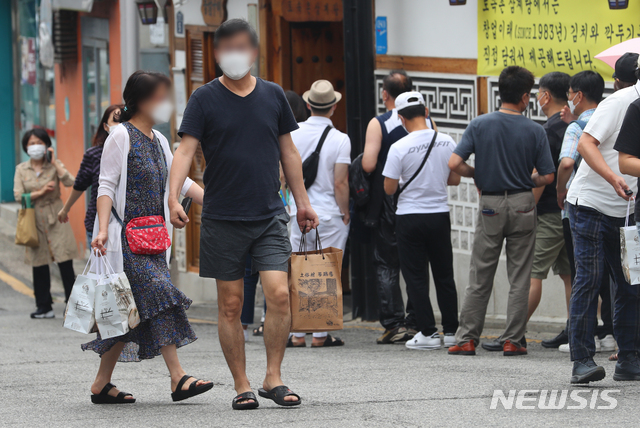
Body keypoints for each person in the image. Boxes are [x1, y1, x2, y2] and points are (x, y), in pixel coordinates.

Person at [169, 19, 318, 409]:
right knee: (232, 305)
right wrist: (172, 198)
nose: (235, 54)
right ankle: (242, 384)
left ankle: (274, 377)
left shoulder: (272, 96)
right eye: (227, 47)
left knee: (280, 294)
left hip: (269, 213)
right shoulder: (203, 98)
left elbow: (289, 152)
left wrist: (302, 201)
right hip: (222, 216)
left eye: (242, 46)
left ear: (253, 51)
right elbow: (184, 152)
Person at [86, 71, 212, 403]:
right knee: (159, 293)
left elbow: (180, 181)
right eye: (161, 96)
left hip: (153, 240)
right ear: (141, 100)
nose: (166, 104)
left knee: (126, 312)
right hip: (125, 240)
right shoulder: (121, 136)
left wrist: (216, 204)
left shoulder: (157, 139)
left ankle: (101, 384)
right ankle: (178, 377)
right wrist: (101, 230)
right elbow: (106, 186)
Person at [448, 66, 555, 357]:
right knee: (520, 276)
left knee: (480, 274)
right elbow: (547, 176)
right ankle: (513, 340)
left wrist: (477, 174)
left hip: (490, 204)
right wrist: (526, 179)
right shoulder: (535, 130)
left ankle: (467, 338)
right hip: (522, 203)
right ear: (524, 96)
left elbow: (454, 163)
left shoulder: (480, 124)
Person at [565, 57, 640, 384]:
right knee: (590, 279)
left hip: (626, 210)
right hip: (591, 203)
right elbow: (585, 143)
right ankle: (581, 360)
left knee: (630, 284)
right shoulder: (620, 102)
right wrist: (612, 178)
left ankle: (628, 359)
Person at [382, 91, 460, 350]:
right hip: (439, 214)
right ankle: (451, 331)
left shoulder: (398, 147)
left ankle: (428, 332)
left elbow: (390, 189)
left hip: (409, 217)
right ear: (426, 112)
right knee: (444, 274)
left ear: (401, 119)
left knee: (415, 277)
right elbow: (455, 179)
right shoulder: (447, 141)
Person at [550, 71, 614, 353]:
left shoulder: (577, 128)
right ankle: (611, 334)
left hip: (582, 208)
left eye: (570, 94)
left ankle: (582, 344)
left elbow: (566, 163)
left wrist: (560, 190)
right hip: (616, 204)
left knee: (584, 275)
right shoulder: (614, 118)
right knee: (615, 275)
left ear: (578, 95)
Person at [288, 80, 350, 348]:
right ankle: (321, 335)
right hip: (328, 214)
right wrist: (345, 211)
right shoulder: (341, 139)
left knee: (298, 271)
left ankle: (297, 334)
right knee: (327, 273)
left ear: (308, 104)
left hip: (297, 210)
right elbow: (340, 183)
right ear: (334, 107)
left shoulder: (293, 133)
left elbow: (281, 174)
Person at [361, 70, 417, 344]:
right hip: (418, 199)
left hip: (387, 200)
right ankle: (418, 321)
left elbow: (369, 164)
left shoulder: (380, 122)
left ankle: (394, 324)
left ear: (385, 94)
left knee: (386, 263)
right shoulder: (424, 120)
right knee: (415, 263)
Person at [13, 128, 77, 318]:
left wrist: (55, 162)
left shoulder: (54, 166)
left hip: (56, 216)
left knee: (64, 260)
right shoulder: (21, 169)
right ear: (26, 147)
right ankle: (44, 306)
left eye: (39, 143)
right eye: (31, 144)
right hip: (34, 219)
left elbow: (70, 181)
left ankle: (72, 305)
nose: (35, 147)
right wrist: (40, 192)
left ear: (46, 145)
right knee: (38, 261)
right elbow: (18, 196)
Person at [58, 104, 122, 248]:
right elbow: (80, 185)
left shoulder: (138, 152)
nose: (121, 126)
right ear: (106, 127)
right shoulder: (94, 154)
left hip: (132, 226)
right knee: (102, 270)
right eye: (116, 121)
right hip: (98, 226)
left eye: (125, 121)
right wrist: (65, 209)